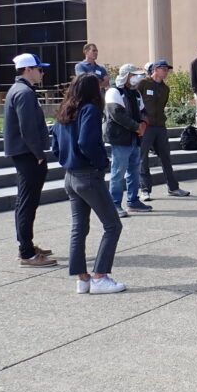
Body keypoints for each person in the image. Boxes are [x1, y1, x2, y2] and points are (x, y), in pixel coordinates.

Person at [51, 73, 126, 294]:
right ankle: (100, 277)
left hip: (70, 176)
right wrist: (102, 162)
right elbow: (86, 141)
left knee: (79, 228)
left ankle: (82, 279)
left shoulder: (64, 111)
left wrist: (68, 158)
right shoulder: (90, 110)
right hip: (88, 175)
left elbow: (55, 145)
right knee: (113, 226)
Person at [3, 53, 56, 267]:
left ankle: (26, 245)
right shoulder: (24, 92)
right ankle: (27, 253)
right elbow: (27, 129)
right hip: (27, 154)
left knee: (25, 202)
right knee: (27, 203)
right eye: (39, 68)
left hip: (23, 153)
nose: (42, 72)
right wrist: (39, 155)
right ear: (28, 70)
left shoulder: (20, 90)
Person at [137, 59, 190, 199]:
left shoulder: (165, 88)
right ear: (155, 69)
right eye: (163, 69)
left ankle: (173, 188)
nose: (166, 72)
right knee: (143, 158)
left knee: (166, 157)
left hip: (160, 126)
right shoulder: (143, 84)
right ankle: (145, 190)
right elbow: (136, 102)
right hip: (145, 126)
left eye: (167, 69)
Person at [104, 64, 152, 217]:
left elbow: (144, 111)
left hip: (134, 137)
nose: (137, 78)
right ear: (126, 76)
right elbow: (116, 114)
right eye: (134, 75)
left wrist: (143, 124)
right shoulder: (113, 92)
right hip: (120, 137)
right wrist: (137, 127)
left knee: (134, 170)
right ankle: (114, 204)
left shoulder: (135, 93)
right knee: (118, 172)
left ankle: (133, 201)